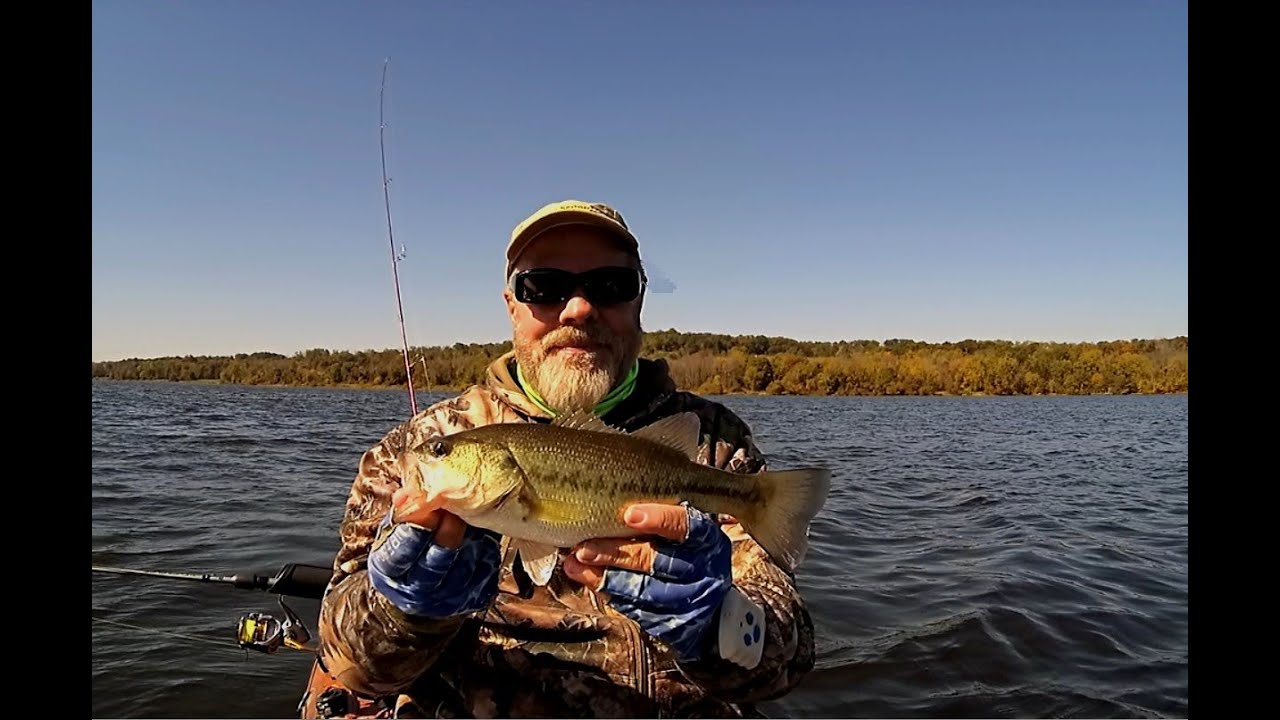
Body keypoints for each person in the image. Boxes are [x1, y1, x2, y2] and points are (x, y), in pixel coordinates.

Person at [299, 200, 817, 719]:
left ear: (639, 301)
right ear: (511, 306)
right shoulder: (419, 444)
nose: (578, 309)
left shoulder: (716, 443)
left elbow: (785, 658)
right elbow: (352, 666)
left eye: (610, 285)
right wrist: (403, 612)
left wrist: (721, 625)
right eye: (543, 287)